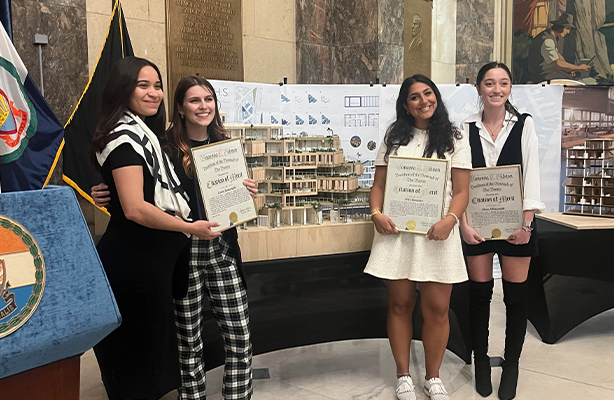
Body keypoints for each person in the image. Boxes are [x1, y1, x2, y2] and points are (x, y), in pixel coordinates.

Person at [93, 75, 256, 400]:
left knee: (240, 336)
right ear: (180, 107)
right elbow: (135, 191)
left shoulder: (226, 146)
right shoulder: (161, 147)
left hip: (222, 250)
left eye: (208, 99)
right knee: (188, 341)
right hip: (182, 253)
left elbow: (243, 202)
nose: (203, 106)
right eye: (195, 100)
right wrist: (106, 190)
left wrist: (251, 193)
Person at [364, 74, 471, 400]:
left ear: (436, 97)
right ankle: (403, 376)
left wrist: (450, 220)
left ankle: (433, 377)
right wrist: (375, 213)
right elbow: (379, 186)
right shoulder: (394, 136)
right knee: (399, 304)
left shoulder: (454, 136)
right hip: (399, 233)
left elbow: (463, 190)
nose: (423, 100)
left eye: (428, 93)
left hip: (438, 233)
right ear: (405, 105)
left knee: (437, 309)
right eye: (414, 97)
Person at [459, 62, 546, 400]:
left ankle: (511, 364)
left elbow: (533, 175)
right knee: (479, 296)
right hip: (475, 227)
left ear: (511, 88)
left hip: (517, 227)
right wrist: (464, 226)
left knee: (516, 298)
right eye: (489, 83)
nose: (497, 89)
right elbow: (459, 182)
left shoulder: (524, 125)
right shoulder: (464, 129)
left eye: (504, 83)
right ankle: (481, 360)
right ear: (479, 88)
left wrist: (527, 225)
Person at [527, 13, 590, 82]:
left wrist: (570, 68)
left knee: (569, 79)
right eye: (567, 28)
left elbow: (557, 55)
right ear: (560, 27)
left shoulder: (553, 36)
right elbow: (557, 63)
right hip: (539, 72)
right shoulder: (548, 40)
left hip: (548, 68)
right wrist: (578, 68)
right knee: (567, 82)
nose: (568, 32)